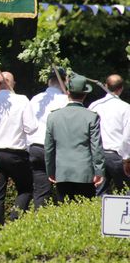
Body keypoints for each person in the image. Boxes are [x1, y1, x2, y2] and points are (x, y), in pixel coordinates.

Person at [0, 71, 37, 232]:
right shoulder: (22, 100)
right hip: (16, 153)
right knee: (26, 188)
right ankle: (14, 220)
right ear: (12, 84)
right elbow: (31, 127)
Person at [45, 73, 105, 201]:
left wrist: (50, 170)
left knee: (63, 214)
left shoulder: (53, 117)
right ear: (85, 94)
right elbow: (96, 147)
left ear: (67, 92)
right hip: (85, 172)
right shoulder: (91, 117)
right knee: (84, 213)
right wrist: (99, 171)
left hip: (62, 172)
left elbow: (49, 148)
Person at [27, 68, 69, 208]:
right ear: (65, 82)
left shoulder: (36, 98)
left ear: (49, 82)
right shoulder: (65, 101)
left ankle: (39, 221)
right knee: (62, 190)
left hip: (35, 147)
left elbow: (29, 124)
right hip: (55, 149)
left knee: (40, 191)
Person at [88, 74, 130, 195]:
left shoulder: (94, 106)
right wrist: (127, 158)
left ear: (105, 86)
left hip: (97, 155)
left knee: (99, 193)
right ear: (121, 88)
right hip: (117, 155)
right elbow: (127, 137)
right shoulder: (126, 108)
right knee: (126, 193)